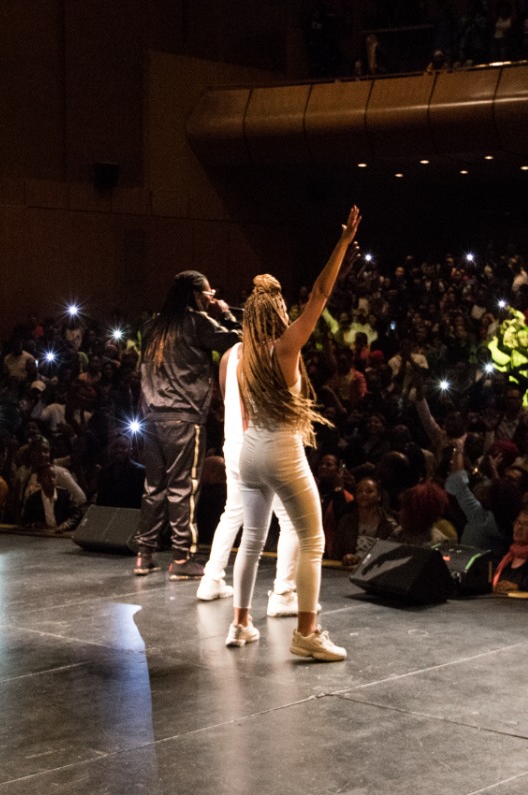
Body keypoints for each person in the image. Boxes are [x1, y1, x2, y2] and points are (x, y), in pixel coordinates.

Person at [228, 205, 361, 661]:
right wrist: (341, 243)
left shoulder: (242, 357)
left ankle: (241, 623)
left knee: (251, 538)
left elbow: (244, 412)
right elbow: (321, 294)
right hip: (282, 449)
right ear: (277, 312)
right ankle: (307, 633)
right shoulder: (285, 348)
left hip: (250, 451)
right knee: (313, 541)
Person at [128, 270, 241, 579]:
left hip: (151, 416)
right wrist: (226, 312)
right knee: (183, 486)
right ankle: (181, 558)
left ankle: (144, 554)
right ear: (195, 295)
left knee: (154, 487)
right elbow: (238, 340)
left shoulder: (152, 326)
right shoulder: (197, 322)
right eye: (208, 294)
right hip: (183, 416)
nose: (212, 299)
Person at [200, 338, 300, 614]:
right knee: (290, 520)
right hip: (263, 444)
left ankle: (211, 579)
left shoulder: (229, 355)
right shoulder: (276, 351)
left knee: (233, 511)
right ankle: (283, 593)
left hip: (234, 445)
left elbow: (225, 396)